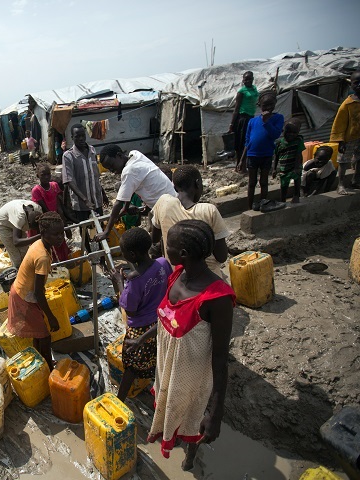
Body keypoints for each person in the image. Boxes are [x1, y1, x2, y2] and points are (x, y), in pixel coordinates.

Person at [147, 220, 236, 471]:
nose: (164, 247)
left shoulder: (217, 298)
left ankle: (191, 454)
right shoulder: (177, 275)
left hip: (193, 377)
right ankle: (174, 438)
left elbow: (220, 359)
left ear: (183, 253)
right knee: (171, 406)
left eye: (169, 244)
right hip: (168, 367)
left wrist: (216, 414)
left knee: (193, 414)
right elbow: (167, 320)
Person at [111, 228, 172, 402]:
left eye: (123, 252)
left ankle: (120, 399)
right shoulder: (162, 263)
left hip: (141, 328)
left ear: (131, 254)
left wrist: (119, 282)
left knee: (132, 366)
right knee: (159, 355)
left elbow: (130, 309)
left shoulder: (134, 279)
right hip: (161, 321)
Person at [7, 212, 66, 369]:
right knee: (45, 336)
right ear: (44, 233)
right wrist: (51, 317)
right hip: (25, 298)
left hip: (22, 292)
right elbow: (39, 293)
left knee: (37, 332)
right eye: (56, 234)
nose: (61, 237)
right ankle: (47, 368)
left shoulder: (40, 244)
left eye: (62, 232)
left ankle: (41, 361)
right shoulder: (42, 257)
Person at [150, 165, 230, 277]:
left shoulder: (163, 202)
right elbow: (222, 257)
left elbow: (155, 239)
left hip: (175, 277)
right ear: (197, 183)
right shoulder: (208, 210)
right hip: (208, 278)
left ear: (175, 187)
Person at [95, 145, 176, 242]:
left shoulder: (129, 170)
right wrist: (126, 207)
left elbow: (118, 203)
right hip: (171, 200)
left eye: (112, 166)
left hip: (168, 210)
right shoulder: (135, 154)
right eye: (109, 169)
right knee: (157, 241)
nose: (112, 171)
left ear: (119, 155)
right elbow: (133, 187)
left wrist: (106, 232)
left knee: (169, 241)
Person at [241, 91, 284, 211]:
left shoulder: (277, 118)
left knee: (264, 182)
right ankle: (250, 207)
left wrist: (266, 122)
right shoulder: (252, 121)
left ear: (275, 104)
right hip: (252, 155)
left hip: (266, 155)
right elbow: (247, 141)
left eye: (270, 104)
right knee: (251, 183)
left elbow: (275, 134)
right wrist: (242, 159)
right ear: (259, 105)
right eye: (265, 105)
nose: (268, 108)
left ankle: (263, 204)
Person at [62, 123, 109, 224]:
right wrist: (85, 200)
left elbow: (95, 176)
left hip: (97, 201)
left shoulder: (92, 150)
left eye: (83, 135)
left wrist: (103, 193)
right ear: (72, 138)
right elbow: (69, 181)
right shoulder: (68, 156)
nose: (81, 139)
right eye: (77, 136)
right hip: (81, 206)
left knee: (99, 230)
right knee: (86, 233)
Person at [31, 163, 70, 261]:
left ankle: (64, 264)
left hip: (56, 219)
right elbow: (44, 209)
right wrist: (56, 222)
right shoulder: (37, 190)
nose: (46, 177)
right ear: (38, 175)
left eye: (48, 174)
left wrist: (64, 225)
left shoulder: (54, 185)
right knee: (50, 245)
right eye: (43, 175)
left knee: (60, 242)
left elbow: (59, 206)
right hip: (46, 221)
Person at [0, 199, 43, 268]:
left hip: (13, 216)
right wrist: (39, 236)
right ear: (28, 223)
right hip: (3, 223)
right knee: (16, 256)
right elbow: (16, 242)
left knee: (25, 251)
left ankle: (29, 270)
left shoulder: (38, 209)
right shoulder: (20, 218)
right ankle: (19, 273)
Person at [229, 71, 259, 172]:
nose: (247, 81)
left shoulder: (254, 89)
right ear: (243, 80)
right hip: (242, 118)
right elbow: (236, 108)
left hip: (251, 117)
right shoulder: (242, 91)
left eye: (249, 79)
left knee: (249, 142)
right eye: (245, 79)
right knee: (241, 143)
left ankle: (244, 164)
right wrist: (232, 124)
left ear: (252, 79)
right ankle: (239, 165)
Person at [272, 120, 304, 204]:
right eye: (289, 132)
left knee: (297, 179)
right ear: (283, 132)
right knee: (284, 185)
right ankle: (283, 200)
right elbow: (276, 156)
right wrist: (274, 169)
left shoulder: (298, 141)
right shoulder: (279, 143)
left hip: (295, 166)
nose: (291, 135)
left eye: (294, 133)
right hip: (284, 167)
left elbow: (298, 154)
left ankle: (296, 195)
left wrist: (297, 167)